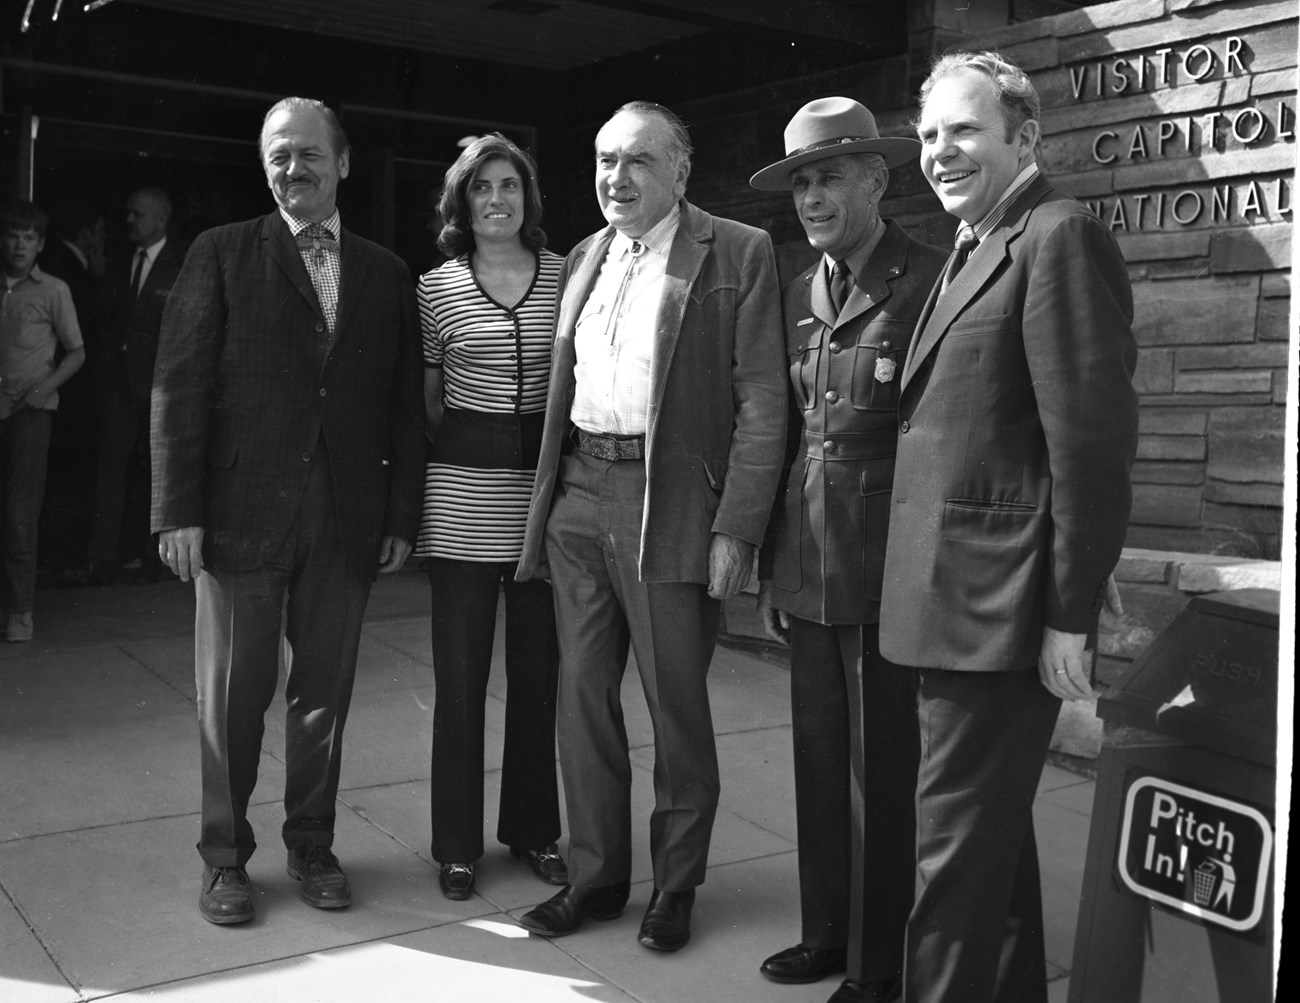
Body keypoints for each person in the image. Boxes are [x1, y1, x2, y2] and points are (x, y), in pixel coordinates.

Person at [880, 52, 1138, 1002]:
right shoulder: (978, 240)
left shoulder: (1057, 234)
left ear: (1024, 137)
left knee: (949, 870)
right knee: (988, 854)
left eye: (963, 131)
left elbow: (1091, 446)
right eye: (929, 135)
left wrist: (1070, 614)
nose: (940, 153)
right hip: (951, 606)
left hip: (997, 614)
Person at [514, 101, 786, 952]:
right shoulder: (586, 256)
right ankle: (594, 878)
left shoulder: (737, 249)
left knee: (675, 706)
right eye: (604, 161)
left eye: (636, 161)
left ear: (679, 171)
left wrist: (736, 527)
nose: (615, 179)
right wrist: (556, 501)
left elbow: (764, 402)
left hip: (670, 503)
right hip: (580, 496)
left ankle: (675, 885)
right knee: (580, 698)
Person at [151, 96, 424, 925]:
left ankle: (312, 843)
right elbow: (179, 387)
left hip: (345, 517)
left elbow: (403, 405)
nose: (292, 168)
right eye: (278, 155)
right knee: (232, 697)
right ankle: (225, 858)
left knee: (323, 696)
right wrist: (176, 510)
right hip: (239, 514)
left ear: (342, 164)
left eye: (309, 154)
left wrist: (400, 516)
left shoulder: (385, 271)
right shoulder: (222, 254)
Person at [748, 97, 947, 1003]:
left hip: (883, 564)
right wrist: (770, 563)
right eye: (801, 182)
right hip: (809, 560)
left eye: (830, 175)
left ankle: (877, 965)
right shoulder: (800, 288)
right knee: (819, 758)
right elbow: (791, 435)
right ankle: (825, 931)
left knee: (881, 771)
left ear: (878, 177)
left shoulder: (930, 278)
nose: (814, 196)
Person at [415, 133, 566, 902]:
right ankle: (456, 845)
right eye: (482, 188)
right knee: (461, 675)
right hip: (461, 500)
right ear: (462, 202)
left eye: (510, 185)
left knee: (539, 673)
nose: (498, 199)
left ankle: (535, 831)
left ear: (527, 198)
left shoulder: (567, 276)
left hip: (542, 502)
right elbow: (430, 400)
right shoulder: (435, 288)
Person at [66, 187, 187, 586]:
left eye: (137, 214)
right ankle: (102, 559)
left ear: (160, 219)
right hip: (118, 386)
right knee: (111, 469)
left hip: (160, 387)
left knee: (160, 475)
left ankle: (156, 560)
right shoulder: (118, 261)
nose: (130, 221)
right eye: (129, 214)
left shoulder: (183, 262)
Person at [1, 200, 85, 643]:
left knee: (19, 515)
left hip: (31, 415)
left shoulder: (53, 290)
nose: (19, 244)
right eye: (13, 234)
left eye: (29, 237)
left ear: (40, 245)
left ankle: (20, 613)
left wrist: (42, 388)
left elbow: (77, 352)